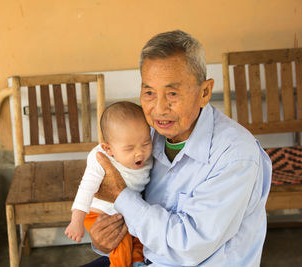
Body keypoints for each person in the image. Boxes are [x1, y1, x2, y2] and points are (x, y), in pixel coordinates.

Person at [85, 30, 272, 266]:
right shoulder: (147, 136)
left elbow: (187, 247)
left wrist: (121, 195)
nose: (160, 108)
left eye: (172, 93)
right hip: (142, 257)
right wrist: (103, 241)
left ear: (204, 92)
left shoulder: (235, 155)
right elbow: (118, 204)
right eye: (149, 92)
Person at [66, 101, 153, 267]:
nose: (139, 153)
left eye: (146, 143)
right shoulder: (100, 159)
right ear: (108, 148)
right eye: (129, 149)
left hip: (128, 215)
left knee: (139, 241)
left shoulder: (148, 157)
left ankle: (137, 263)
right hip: (101, 215)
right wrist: (77, 220)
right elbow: (86, 189)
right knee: (121, 245)